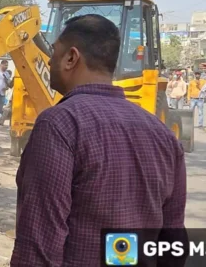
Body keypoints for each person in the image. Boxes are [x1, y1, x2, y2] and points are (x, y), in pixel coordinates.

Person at [11, 15, 186, 266]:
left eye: (54, 52)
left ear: (71, 58)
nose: (49, 61)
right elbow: (172, 239)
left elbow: (40, 243)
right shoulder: (163, 135)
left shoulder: (59, 125)